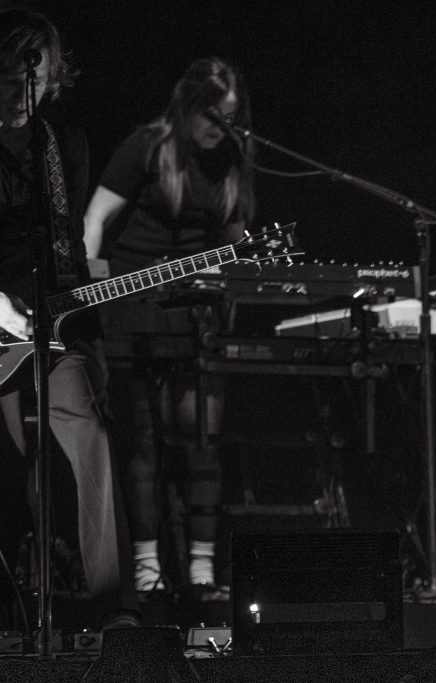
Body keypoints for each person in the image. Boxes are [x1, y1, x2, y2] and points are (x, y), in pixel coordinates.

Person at [83, 57, 255, 600]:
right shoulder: (147, 147)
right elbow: (95, 220)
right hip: (130, 305)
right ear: (187, 106)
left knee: (199, 436)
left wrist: (227, 272)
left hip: (193, 312)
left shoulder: (230, 156)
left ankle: (201, 573)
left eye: (227, 119)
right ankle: (147, 571)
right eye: (211, 117)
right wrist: (85, 295)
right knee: (141, 443)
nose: (217, 130)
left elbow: (235, 238)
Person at [0, 8, 136, 629]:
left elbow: (69, 252)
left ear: (48, 75)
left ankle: (115, 609)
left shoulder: (65, 146)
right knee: (9, 466)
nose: (16, 91)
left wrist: (97, 317)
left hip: (55, 326)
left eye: (30, 74)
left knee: (96, 440)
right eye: (4, 76)